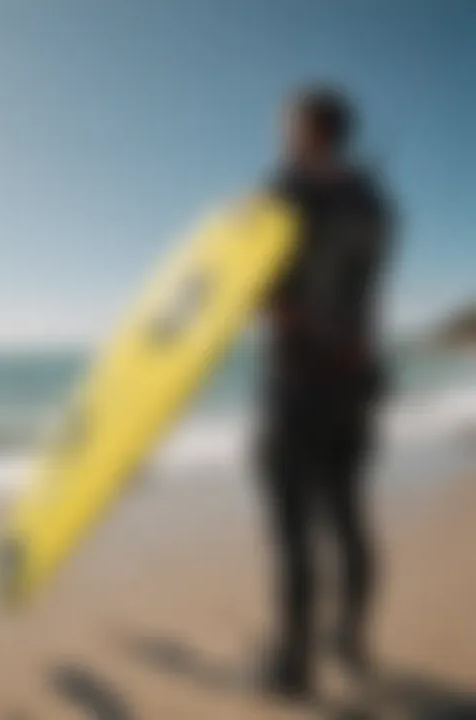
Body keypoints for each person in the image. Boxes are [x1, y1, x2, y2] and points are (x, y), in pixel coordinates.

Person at [256, 85, 394, 697]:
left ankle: (294, 663)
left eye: (289, 125)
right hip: (357, 380)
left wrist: (274, 301)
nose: (282, 135)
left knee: (292, 526)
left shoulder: (286, 195)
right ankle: (351, 637)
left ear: (312, 130)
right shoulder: (376, 203)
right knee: (346, 514)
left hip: (300, 382)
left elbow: (262, 291)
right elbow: (358, 285)